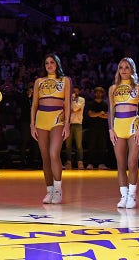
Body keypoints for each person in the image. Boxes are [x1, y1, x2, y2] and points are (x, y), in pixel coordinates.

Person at [30, 53, 71, 204]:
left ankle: (58, 190)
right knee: (45, 157)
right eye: (46, 63)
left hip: (58, 119)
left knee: (54, 153)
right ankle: (50, 191)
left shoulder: (65, 80)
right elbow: (34, 104)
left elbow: (67, 104)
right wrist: (32, 124)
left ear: (57, 64)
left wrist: (67, 124)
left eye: (52, 62)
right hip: (41, 120)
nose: (49, 65)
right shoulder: (38, 81)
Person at [109, 57, 139, 209]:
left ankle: (132, 195)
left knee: (132, 162)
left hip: (133, 125)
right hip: (118, 127)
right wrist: (110, 129)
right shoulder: (112, 88)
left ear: (132, 70)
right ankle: (123, 196)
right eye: (121, 67)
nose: (123, 70)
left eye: (127, 67)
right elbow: (110, 111)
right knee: (121, 164)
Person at [87, 87, 110, 170]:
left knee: (102, 146)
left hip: (103, 128)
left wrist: (96, 114)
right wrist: (100, 113)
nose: (98, 94)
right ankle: (90, 163)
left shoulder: (105, 104)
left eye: (100, 92)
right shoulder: (91, 103)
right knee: (91, 146)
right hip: (92, 127)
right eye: (97, 92)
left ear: (103, 93)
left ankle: (101, 163)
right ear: (94, 93)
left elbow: (108, 116)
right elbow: (90, 114)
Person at [65, 85, 85, 170]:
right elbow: (67, 110)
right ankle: (68, 162)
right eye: (73, 91)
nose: (74, 93)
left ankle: (80, 162)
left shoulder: (81, 99)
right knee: (68, 145)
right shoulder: (67, 100)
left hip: (78, 124)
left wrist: (73, 101)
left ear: (79, 92)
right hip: (68, 124)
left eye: (76, 91)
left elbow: (76, 108)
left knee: (79, 145)